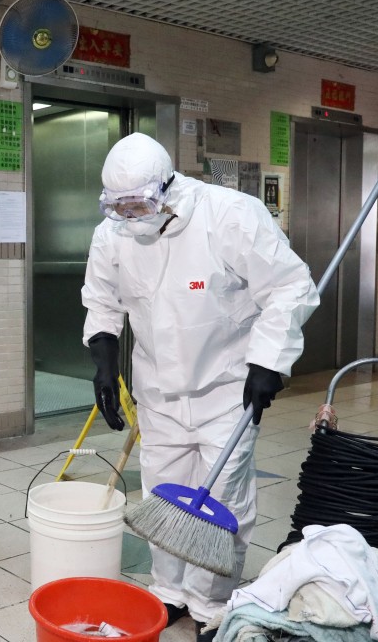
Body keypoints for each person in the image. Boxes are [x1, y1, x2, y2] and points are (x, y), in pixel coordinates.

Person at [81, 133, 318, 641]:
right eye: (116, 207)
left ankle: (211, 602)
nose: (128, 215)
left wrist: (267, 363)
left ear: (166, 187)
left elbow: (290, 287)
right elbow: (102, 304)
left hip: (226, 390)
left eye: (138, 204)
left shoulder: (230, 215)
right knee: (165, 495)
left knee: (223, 500)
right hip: (158, 391)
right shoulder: (113, 233)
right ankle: (169, 591)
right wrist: (104, 365)